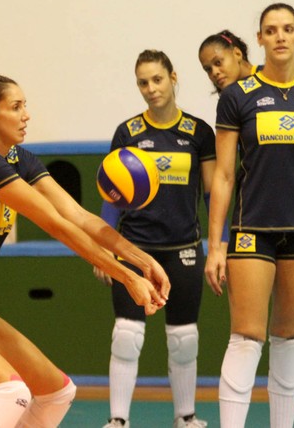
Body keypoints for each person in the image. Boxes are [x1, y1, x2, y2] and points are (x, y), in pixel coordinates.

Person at [0, 74, 171, 428]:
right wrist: (126, 277)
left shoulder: (18, 159)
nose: (26, 115)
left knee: (57, 392)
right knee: (12, 393)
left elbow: (79, 217)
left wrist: (145, 262)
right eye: (16, 107)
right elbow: (54, 224)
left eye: (26, 106)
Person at [203, 4, 294, 428]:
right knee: (246, 337)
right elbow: (222, 177)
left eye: (288, 29)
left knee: (291, 338)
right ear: (257, 39)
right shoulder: (237, 97)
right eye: (271, 30)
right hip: (251, 231)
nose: (280, 36)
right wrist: (216, 244)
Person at [95, 50, 217, 428]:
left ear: (173, 77)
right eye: (143, 83)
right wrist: (105, 249)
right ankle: (118, 420)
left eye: (157, 80)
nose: (151, 89)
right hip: (134, 249)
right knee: (126, 336)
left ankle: (185, 417)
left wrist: (219, 246)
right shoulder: (127, 133)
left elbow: (214, 195)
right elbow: (111, 197)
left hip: (183, 249)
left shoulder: (198, 133)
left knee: (184, 339)